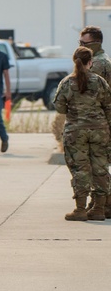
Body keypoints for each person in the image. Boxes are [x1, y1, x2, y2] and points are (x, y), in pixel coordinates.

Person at [53, 46, 111, 222]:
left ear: (74, 61)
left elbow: (60, 107)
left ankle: (80, 209)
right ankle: (99, 209)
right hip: (99, 130)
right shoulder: (100, 81)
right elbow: (108, 106)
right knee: (100, 168)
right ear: (91, 62)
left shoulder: (67, 82)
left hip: (75, 132)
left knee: (80, 169)